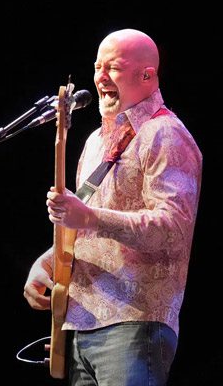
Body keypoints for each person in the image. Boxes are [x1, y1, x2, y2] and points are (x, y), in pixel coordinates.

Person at [23, 28, 202, 386]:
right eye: (97, 67)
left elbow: (173, 228)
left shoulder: (166, 134)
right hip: (80, 324)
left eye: (113, 68)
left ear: (146, 76)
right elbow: (87, 227)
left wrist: (89, 217)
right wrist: (48, 261)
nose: (101, 77)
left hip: (134, 323)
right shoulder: (95, 141)